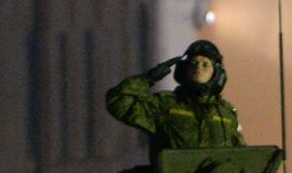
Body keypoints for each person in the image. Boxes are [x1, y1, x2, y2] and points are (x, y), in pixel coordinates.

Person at [105, 39, 244, 152]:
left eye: (205, 64)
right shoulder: (165, 105)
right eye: (193, 63)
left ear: (217, 74)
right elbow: (118, 101)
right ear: (184, 70)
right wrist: (147, 79)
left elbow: (241, 154)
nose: (198, 67)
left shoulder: (226, 113)